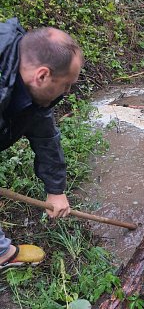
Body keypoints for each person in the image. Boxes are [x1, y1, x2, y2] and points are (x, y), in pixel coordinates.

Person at [0, 18, 83, 268]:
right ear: (43, 75)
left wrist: (56, 189)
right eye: (66, 84)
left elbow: (45, 135)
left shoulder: (28, 83)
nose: (67, 91)